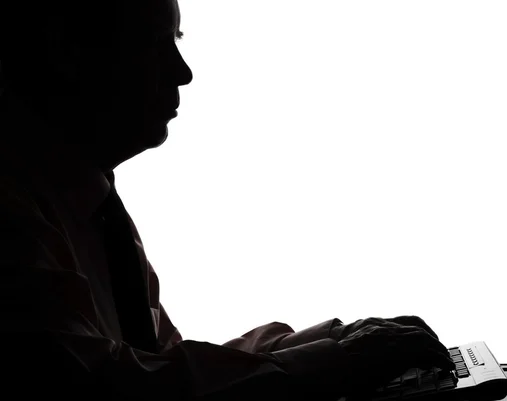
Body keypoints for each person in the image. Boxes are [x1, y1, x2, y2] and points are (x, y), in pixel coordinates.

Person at [0, 0, 455, 399]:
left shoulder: (88, 207)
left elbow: (159, 363)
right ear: (65, 50)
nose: (183, 72)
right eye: (155, 42)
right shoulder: (7, 212)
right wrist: (338, 359)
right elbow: (105, 386)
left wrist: (335, 342)